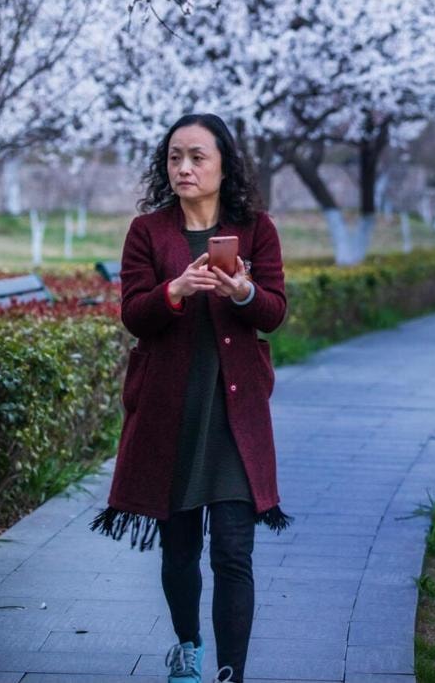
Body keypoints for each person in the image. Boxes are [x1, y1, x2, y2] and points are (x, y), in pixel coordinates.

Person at [91, 113, 290, 683]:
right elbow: (134, 316)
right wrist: (174, 290)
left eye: (197, 156)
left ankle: (231, 672)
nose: (184, 167)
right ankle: (187, 645)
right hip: (170, 417)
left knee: (233, 552)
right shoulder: (148, 232)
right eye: (175, 156)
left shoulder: (257, 229)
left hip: (236, 418)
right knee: (179, 550)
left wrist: (245, 290)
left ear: (224, 164)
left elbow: (274, 312)